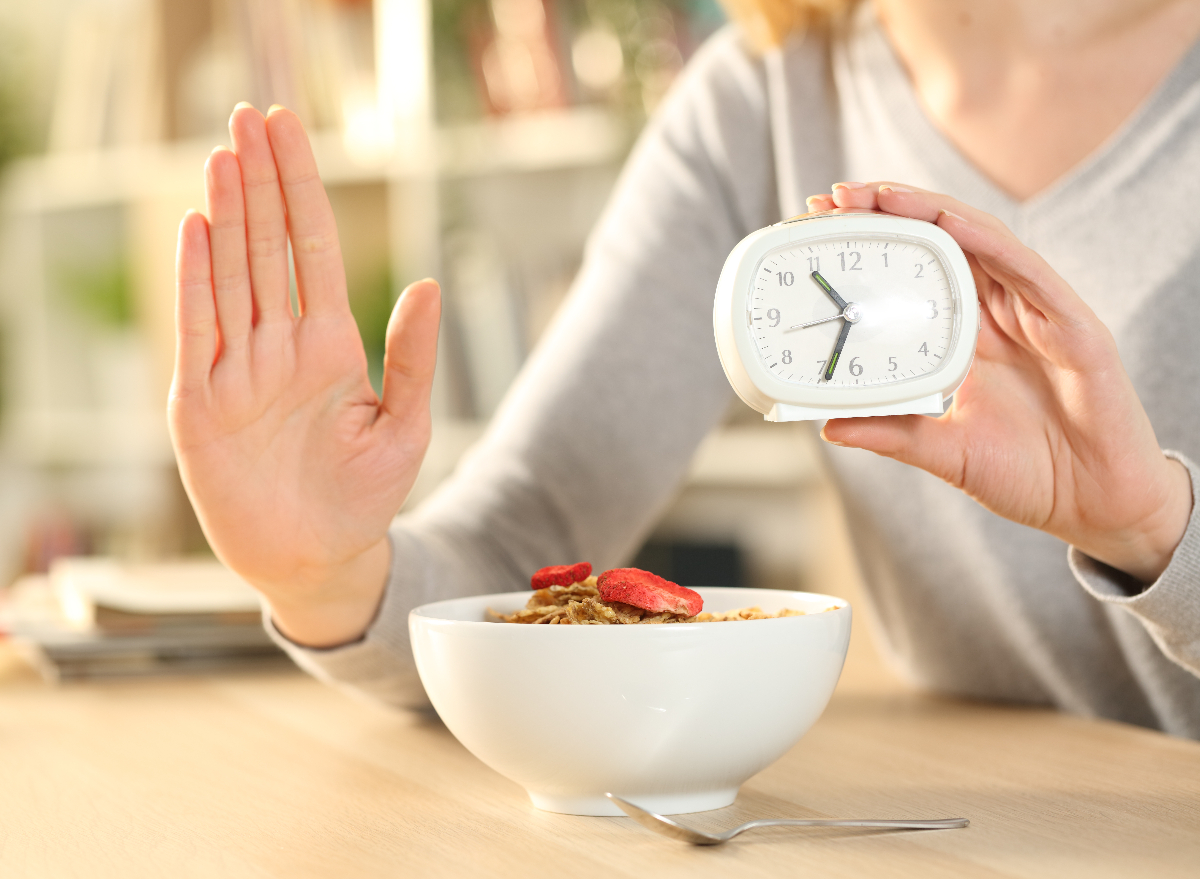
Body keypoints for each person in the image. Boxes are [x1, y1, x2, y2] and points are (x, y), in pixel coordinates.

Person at [169, 0, 1200, 736]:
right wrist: (331, 575)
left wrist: (1154, 528)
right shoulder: (761, 98)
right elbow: (526, 545)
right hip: (968, 828)